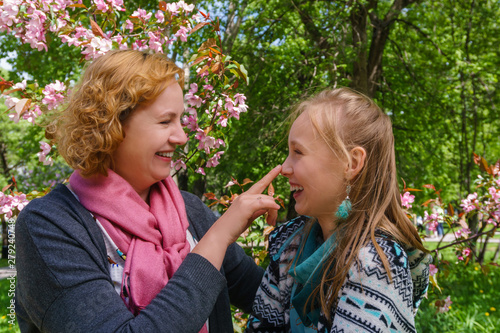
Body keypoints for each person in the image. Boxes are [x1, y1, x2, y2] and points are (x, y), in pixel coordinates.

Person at [15, 50, 282, 333]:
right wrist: (216, 240)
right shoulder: (49, 225)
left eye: (181, 120)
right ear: (111, 123)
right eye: (166, 121)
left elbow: (271, 300)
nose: (181, 137)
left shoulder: (188, 210)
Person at [246, 88, 432, 332]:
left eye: (298, 152)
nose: (285, 168)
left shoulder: (375, 265)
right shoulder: (291, 244)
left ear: (351, 163)